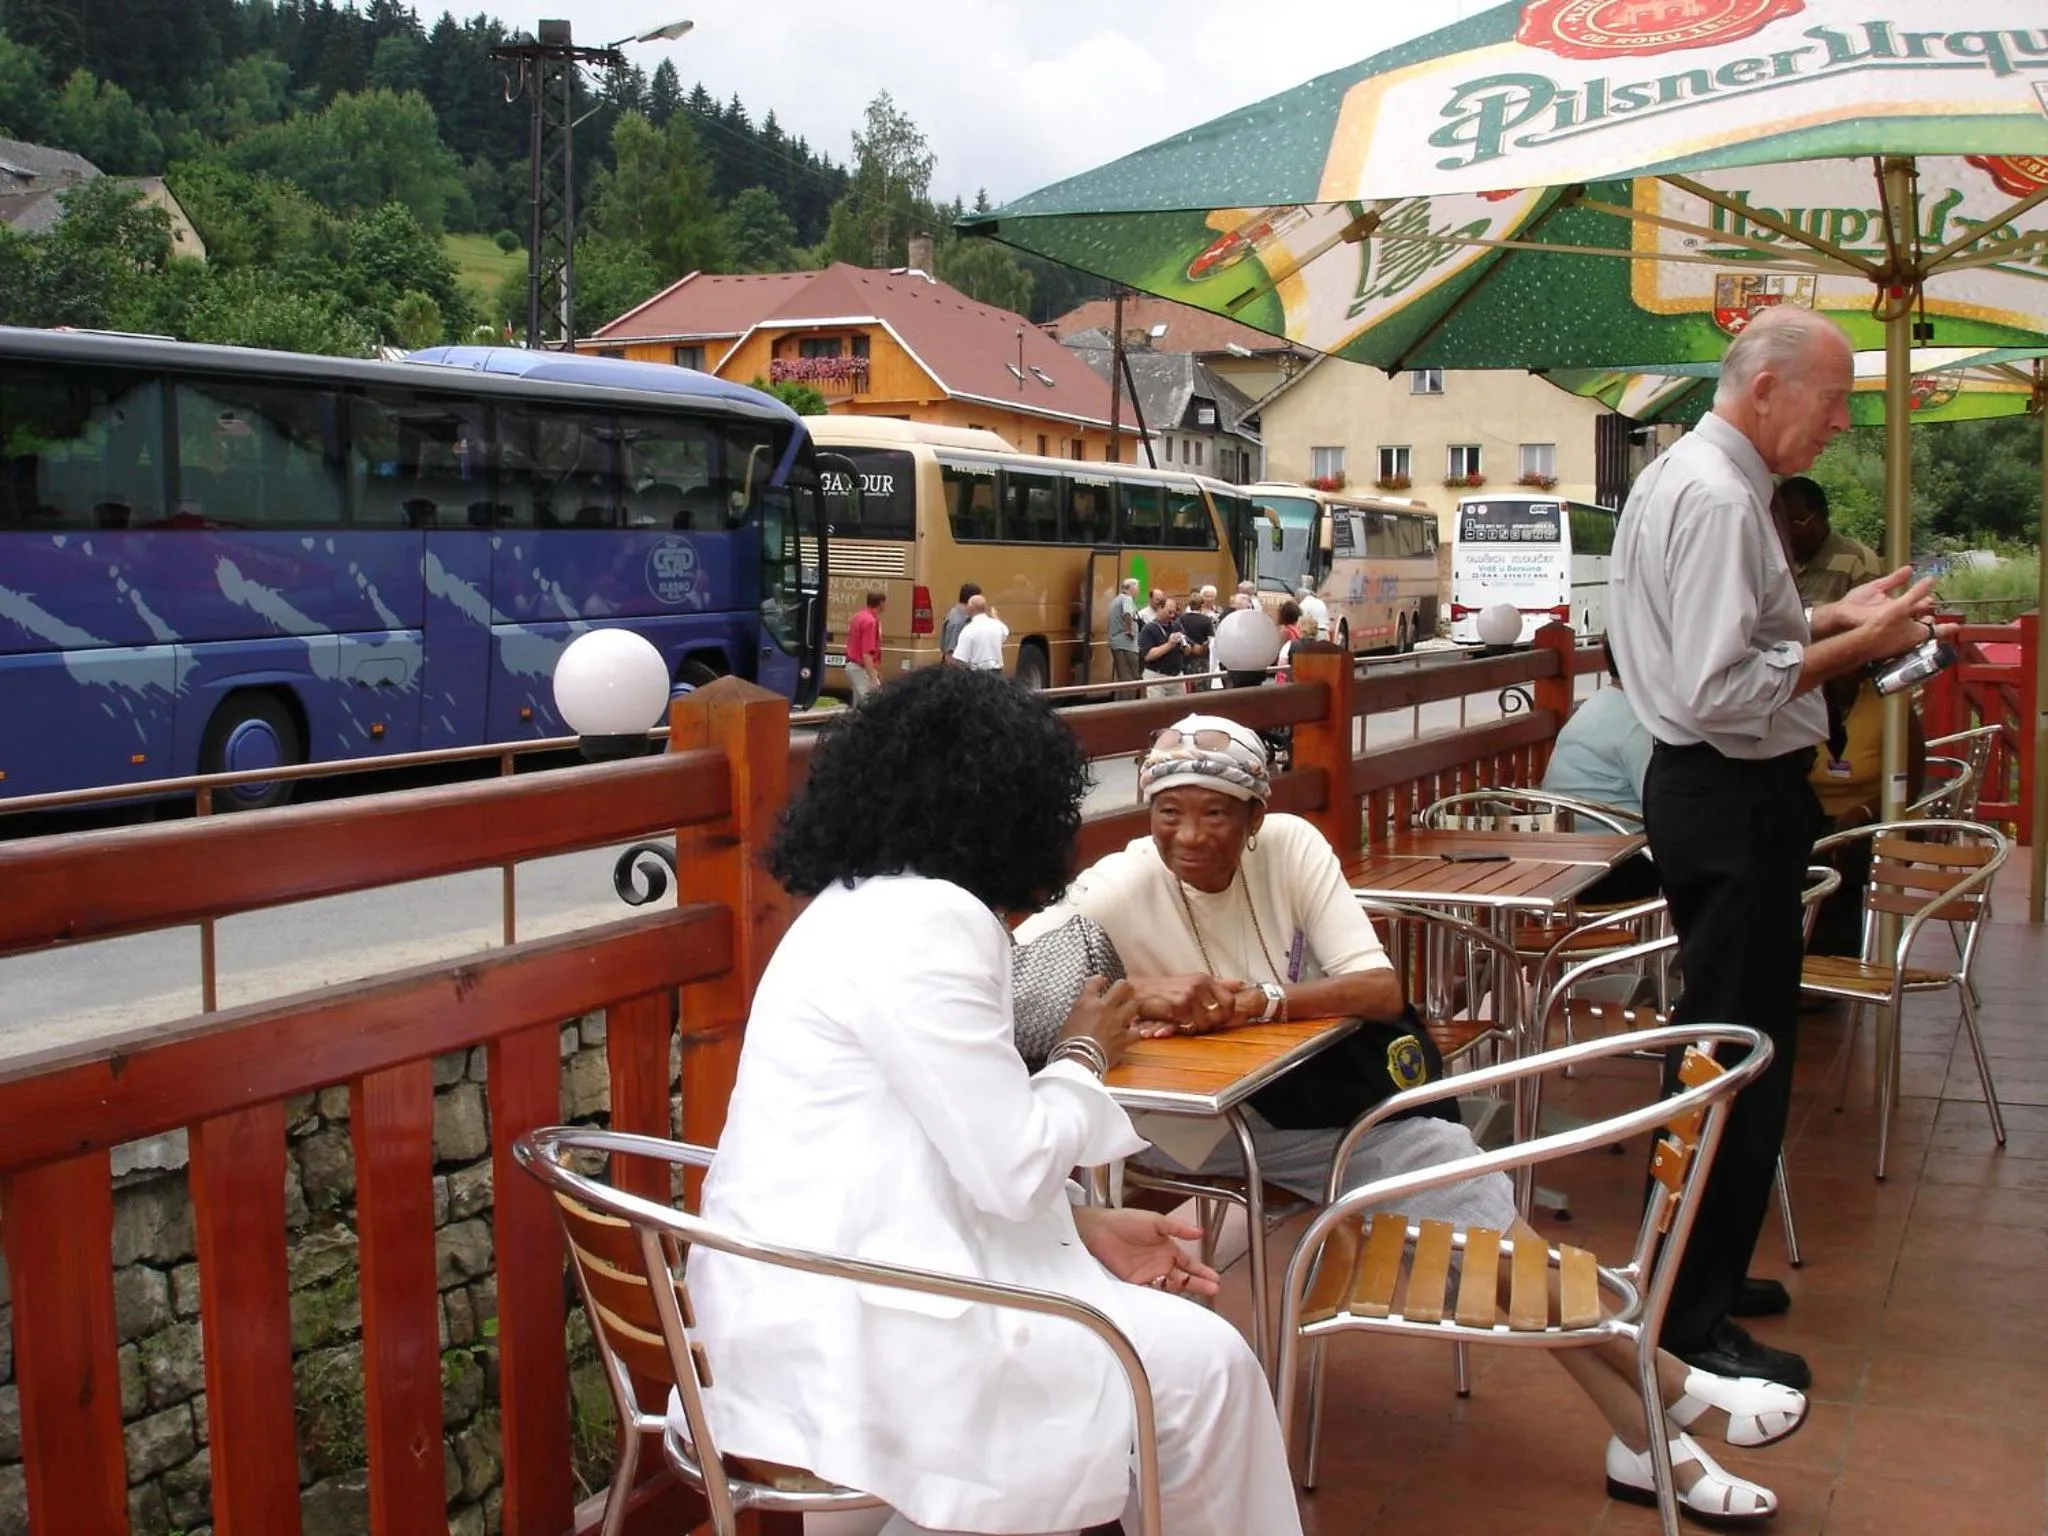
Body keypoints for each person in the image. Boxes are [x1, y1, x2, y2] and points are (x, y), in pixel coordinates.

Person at [1018, 717, 1810, 1525]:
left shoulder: (1289, 847)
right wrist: (1143, 995)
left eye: (1215, 813)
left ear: (1253, 817)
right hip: (1205, 1129)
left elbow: (1379, 991)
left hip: (1310, 1105)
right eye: (1168, 812)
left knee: (1458, 1188)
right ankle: (1663, 1388)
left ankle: (1648, 1427)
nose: (1189, 835)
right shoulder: (1117, 888)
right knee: (1453, 1172)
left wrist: (1264, 1000)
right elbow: (1014, 984)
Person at [688, 670, 1304, 1536]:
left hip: (793, 1299)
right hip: (864, 1333)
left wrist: (1081, 1232)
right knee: (1209, 1369)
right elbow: (1011, 1168)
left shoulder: (847, 906)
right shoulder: (936, 921)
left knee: (1164, 1368)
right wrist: (1086, 1051)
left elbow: (935, 1142)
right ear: (1011, 807)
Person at [1607, 306, 1947, 1392]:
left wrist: (1826, 613)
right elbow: (1720, 688)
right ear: (1764, 389)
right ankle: (1687, 1318)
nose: (1842, 422)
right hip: (1727, 790)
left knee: (1716, 1039)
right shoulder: (1715, 496)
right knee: (1736, 1054)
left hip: (1711, 791)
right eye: (1833, 397)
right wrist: (1862, 642)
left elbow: (1734, 633)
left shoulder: (1693, 478)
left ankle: (1690, 1261)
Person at [1541, 644, 1659, 901]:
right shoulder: (1637, 721)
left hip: (1565, 864)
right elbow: (1664, 808)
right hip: (1614, 867)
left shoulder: (1598, 704)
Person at [1779, 477, 1881, 606]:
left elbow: (1874, 622)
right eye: (1780, 524)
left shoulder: (1858, 561)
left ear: (1822, 516)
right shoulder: (1775, 560)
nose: (1788, 532)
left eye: (1795, 523)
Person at [1138, 595, 1188, 698]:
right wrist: (1169, 645)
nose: (1172, 616)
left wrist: (1185, 646)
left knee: (1180, 710)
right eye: (1169, 612)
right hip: (1156, 677)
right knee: (1157, 711)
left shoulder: (1176, 626)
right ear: (1160, 608)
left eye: (1174, 612)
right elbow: (1148, 656)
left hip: (1177, 676)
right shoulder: (1148, 629)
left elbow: (1187, 651)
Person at [845, 587, 885, 704]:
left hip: (852, 665)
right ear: (881, 603)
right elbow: (867, 652)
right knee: (871, 702)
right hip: (860, 667)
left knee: (858, 704)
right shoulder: (870, 622)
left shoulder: (858, 617)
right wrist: (872, 676)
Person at [951, 592, 1009, 673]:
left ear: (970, 607)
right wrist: (996, 617)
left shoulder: (969, 630)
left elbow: (960, 658)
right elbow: (1006, 632)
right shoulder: (997, 625)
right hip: (997, 673)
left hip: (978, 675)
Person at [1107, 577, 1143, 687]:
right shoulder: (1127, 599)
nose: (1138, 590)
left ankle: (1122, 703)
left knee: (1122, 678)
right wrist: (1129, 630)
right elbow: (1127, 614)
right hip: (1126, 644)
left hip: (1117, 643)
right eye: (1137, 587)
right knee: (1131, 678)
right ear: (1131, 588)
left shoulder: (1116, 599)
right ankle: (1130, 703)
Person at [1178, 588, 1217, 687]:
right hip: (1202, 658)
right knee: (1202, 685)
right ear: (1202, 605)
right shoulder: (1206, 620)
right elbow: (1211, 639)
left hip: (1185, 656)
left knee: (1187, 685)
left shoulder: (1181, 619)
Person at [938, 581, 981, 661]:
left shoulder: (960, 616)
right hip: (957, 669)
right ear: (971, 602)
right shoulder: (957, 622)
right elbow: (950, 654)